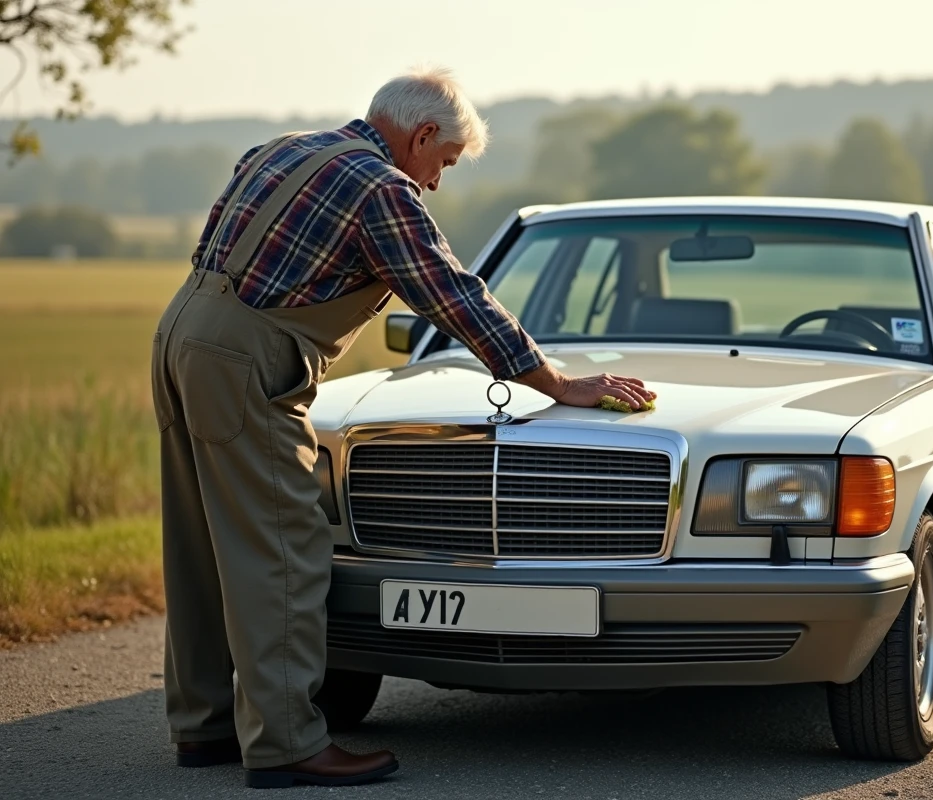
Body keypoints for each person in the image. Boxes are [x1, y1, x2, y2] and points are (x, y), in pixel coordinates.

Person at [150, 67, 654, 789]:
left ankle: (204, 729)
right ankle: (288, 744)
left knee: (198, 540)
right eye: (443, 162)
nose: (438, 182)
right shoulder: (384, 189)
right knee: (283, 546)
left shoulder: (281, 149)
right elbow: (455, 295)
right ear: (420, 136)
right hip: (245, 358)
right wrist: (558, 383)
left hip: (180, 334)